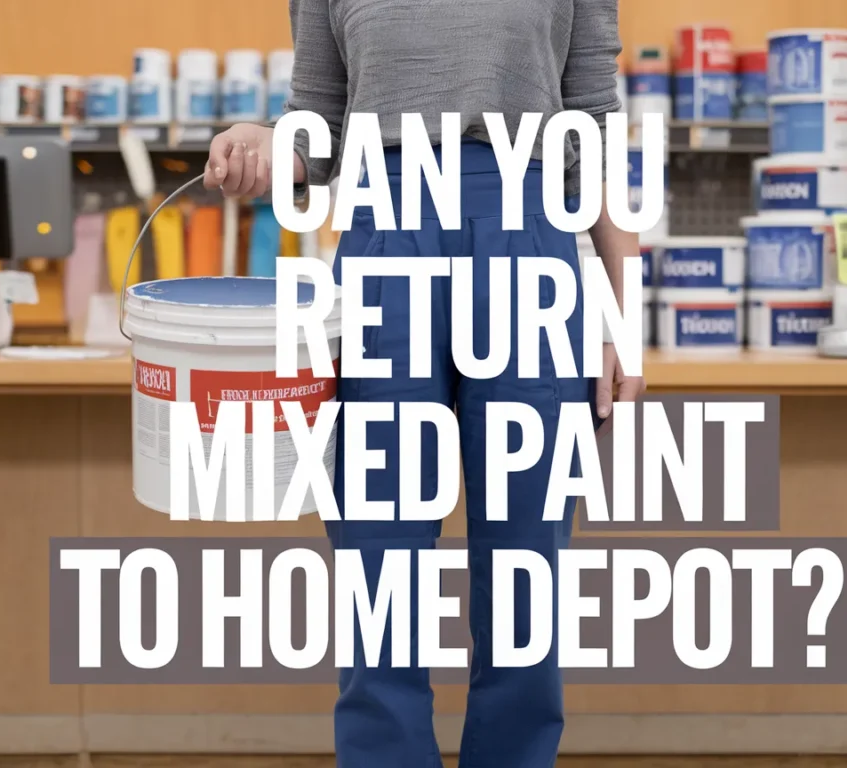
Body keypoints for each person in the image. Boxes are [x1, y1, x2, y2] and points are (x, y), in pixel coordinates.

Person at [205, 1, 645, 765]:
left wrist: (619, 314)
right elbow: (319, 126)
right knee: (378, 554)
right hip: (384, 233)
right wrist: (267, 144)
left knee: (524, 561)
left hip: (527, 232)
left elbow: (593, 130)